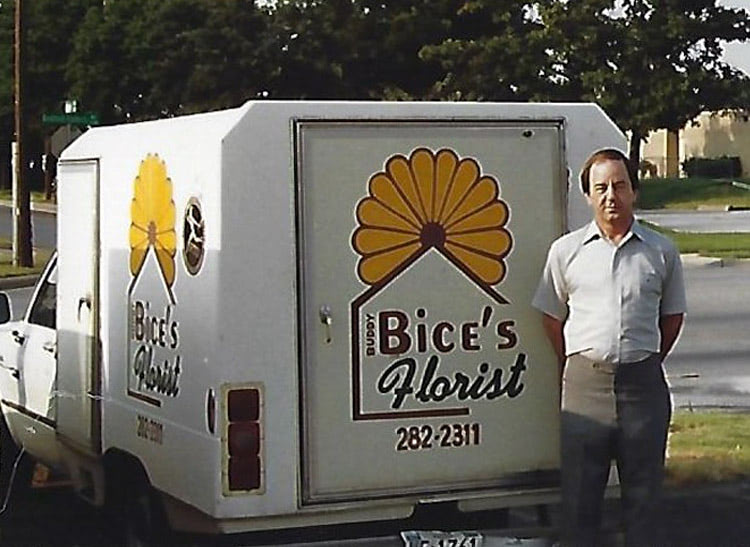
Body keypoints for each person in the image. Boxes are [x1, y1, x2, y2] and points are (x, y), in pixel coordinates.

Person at [532, 148, 686, 546]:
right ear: (587, 196)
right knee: (580, 503)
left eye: (619, 186)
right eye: (600, 188)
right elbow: (551, 318)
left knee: (644, 502)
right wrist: (579, 365)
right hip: (584, 390)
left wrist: (644, 361)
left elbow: (672, 318)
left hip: (643, 389)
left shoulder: (661, 251)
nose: (610, 196)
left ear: (634, 191)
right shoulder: (565, 252)